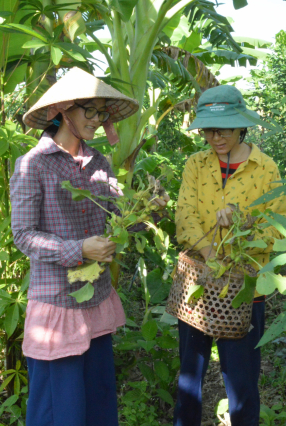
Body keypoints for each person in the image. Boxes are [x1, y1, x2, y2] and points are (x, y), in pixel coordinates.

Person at [11, 67, 168, 426]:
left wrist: (145, 210)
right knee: (59, 408)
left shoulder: (100, 163)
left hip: (95, 298)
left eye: (102, 113)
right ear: (64, 110)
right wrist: (79, 248)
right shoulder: (32, 165)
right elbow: (23, 235)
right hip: (57, 304)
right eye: (90, 111)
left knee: (97, 403)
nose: (98, 121)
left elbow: (117, 216)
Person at [174, 84, 286, 426]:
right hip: (197, 283)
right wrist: (211, 255)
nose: (215, 137)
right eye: (208, 129)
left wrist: (243, 221)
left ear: (241, 125)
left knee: (241, 382)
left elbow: (277, 229)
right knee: (189, 379)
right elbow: (184, 217)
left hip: (243, 288)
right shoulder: (196, 164)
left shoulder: (265, 168)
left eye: (222, 129)